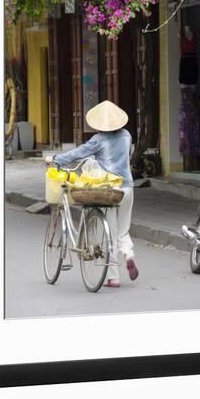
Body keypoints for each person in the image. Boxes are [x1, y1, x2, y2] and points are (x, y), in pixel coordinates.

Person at [45, 100, 138, 288]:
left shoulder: (99, 139)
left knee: (110, 233)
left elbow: (78, 153)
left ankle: (114, 277)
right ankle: (129, 254)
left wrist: (54, 158)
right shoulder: (126, 135)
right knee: (123, 229)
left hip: (110, 189)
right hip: (128, 187)